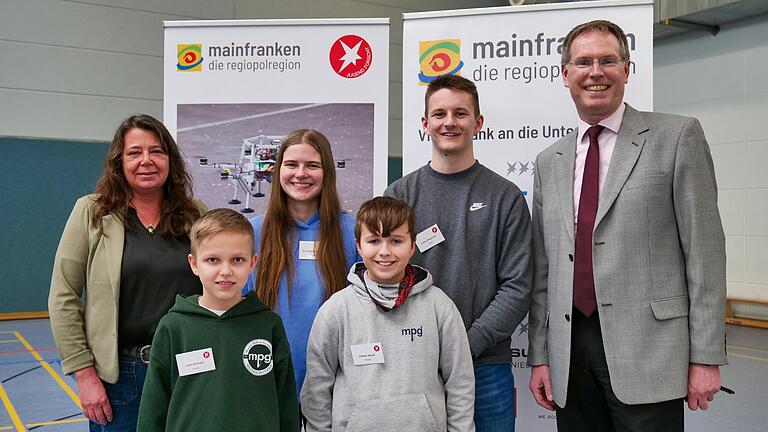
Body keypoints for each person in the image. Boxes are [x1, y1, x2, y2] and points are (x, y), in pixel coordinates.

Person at [527, 19, 727, 432]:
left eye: (608, 61)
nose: (595, 72)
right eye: (583, 62)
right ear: (566, 75)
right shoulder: (550, 161)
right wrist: (541, 357)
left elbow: (705, 254)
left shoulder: (677, 137)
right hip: (569, 354)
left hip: (649, 351)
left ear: (627, 70)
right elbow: (543, 269)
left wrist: (705, 357)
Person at [385, 75, 531, 431]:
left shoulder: (505, 197)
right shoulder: (399, 194)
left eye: (460, 113)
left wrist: (467, 345)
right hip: (414, 364)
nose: (449, 122)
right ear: (425, 124)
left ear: (478, 123)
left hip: (485, 366)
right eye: (439, 114)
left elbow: (518, 286)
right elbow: (383, 275)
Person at [48, 114, 207, 431]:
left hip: (189, 368)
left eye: (157, 151)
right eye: (135, 152)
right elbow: (63, 296)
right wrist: (84, 374)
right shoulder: (92, 212)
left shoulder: (196, 213)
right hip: (121, 377)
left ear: (170, 160)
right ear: (119, 161)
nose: (146, 161)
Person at [301, 196, 475, 432]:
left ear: (412, 245)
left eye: (396, 241)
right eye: (374, 240)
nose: (384, 252)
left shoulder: (439, 306)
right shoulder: (336, 311)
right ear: (358, 245)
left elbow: (459, 384)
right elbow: (316, 391)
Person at [136, 208, 300, 431]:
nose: (225, 271)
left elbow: (286, 403)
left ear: (252, 263)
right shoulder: (174, 326)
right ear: (194, 264)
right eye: (212, 260)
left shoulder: (268, 325)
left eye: (237, 260)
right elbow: (154, 407)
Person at [244, 129, 358, 399]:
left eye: (312, 165)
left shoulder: (351, 232)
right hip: (268, 383)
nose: (300, 173)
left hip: (333, 386)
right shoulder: (252, 233)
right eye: (291, 164)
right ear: (278, 170)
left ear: (327, 171)